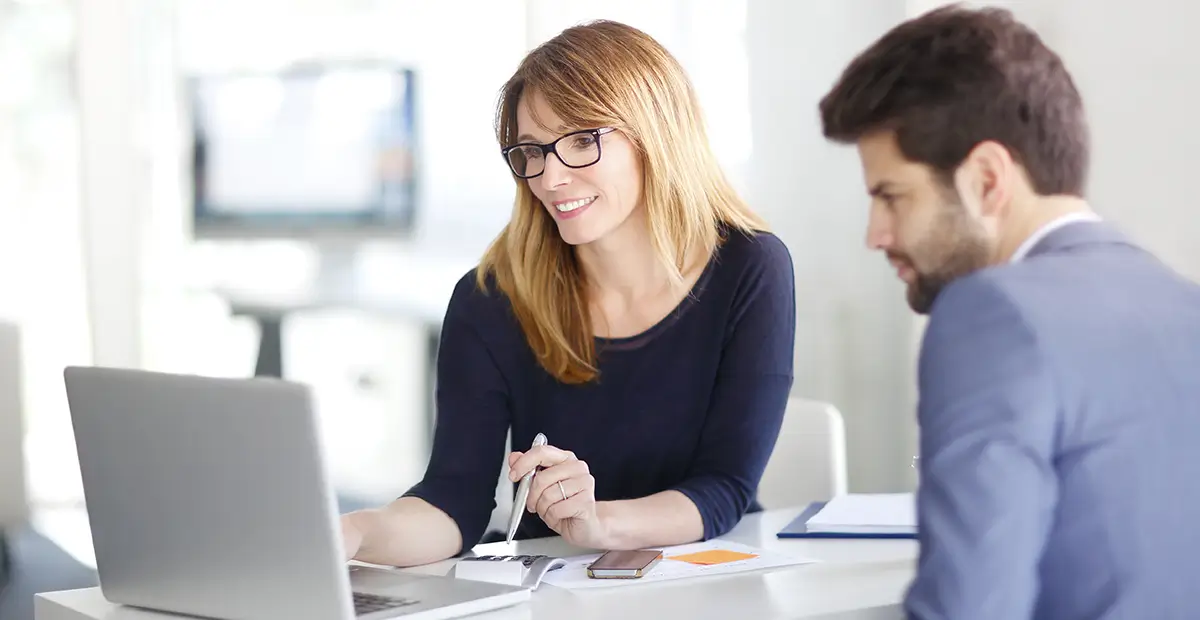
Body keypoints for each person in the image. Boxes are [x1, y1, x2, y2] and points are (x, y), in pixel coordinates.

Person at [340, 20, 796, 568]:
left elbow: (724, 488)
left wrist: (598, 521)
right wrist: (355, 531)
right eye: (532, 151)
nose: (550, 178)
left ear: (654, 135)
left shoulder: (748, 267)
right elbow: (452, 502)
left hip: (703, 580)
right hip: (555, 591)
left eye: (581, 140)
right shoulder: (490, 299)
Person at [819, 5, 1200, 620]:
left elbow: (970, 608)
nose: (875, 234)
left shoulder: (990, 314)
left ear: (987, 180)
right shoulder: (1183, 301)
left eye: (891, 196)